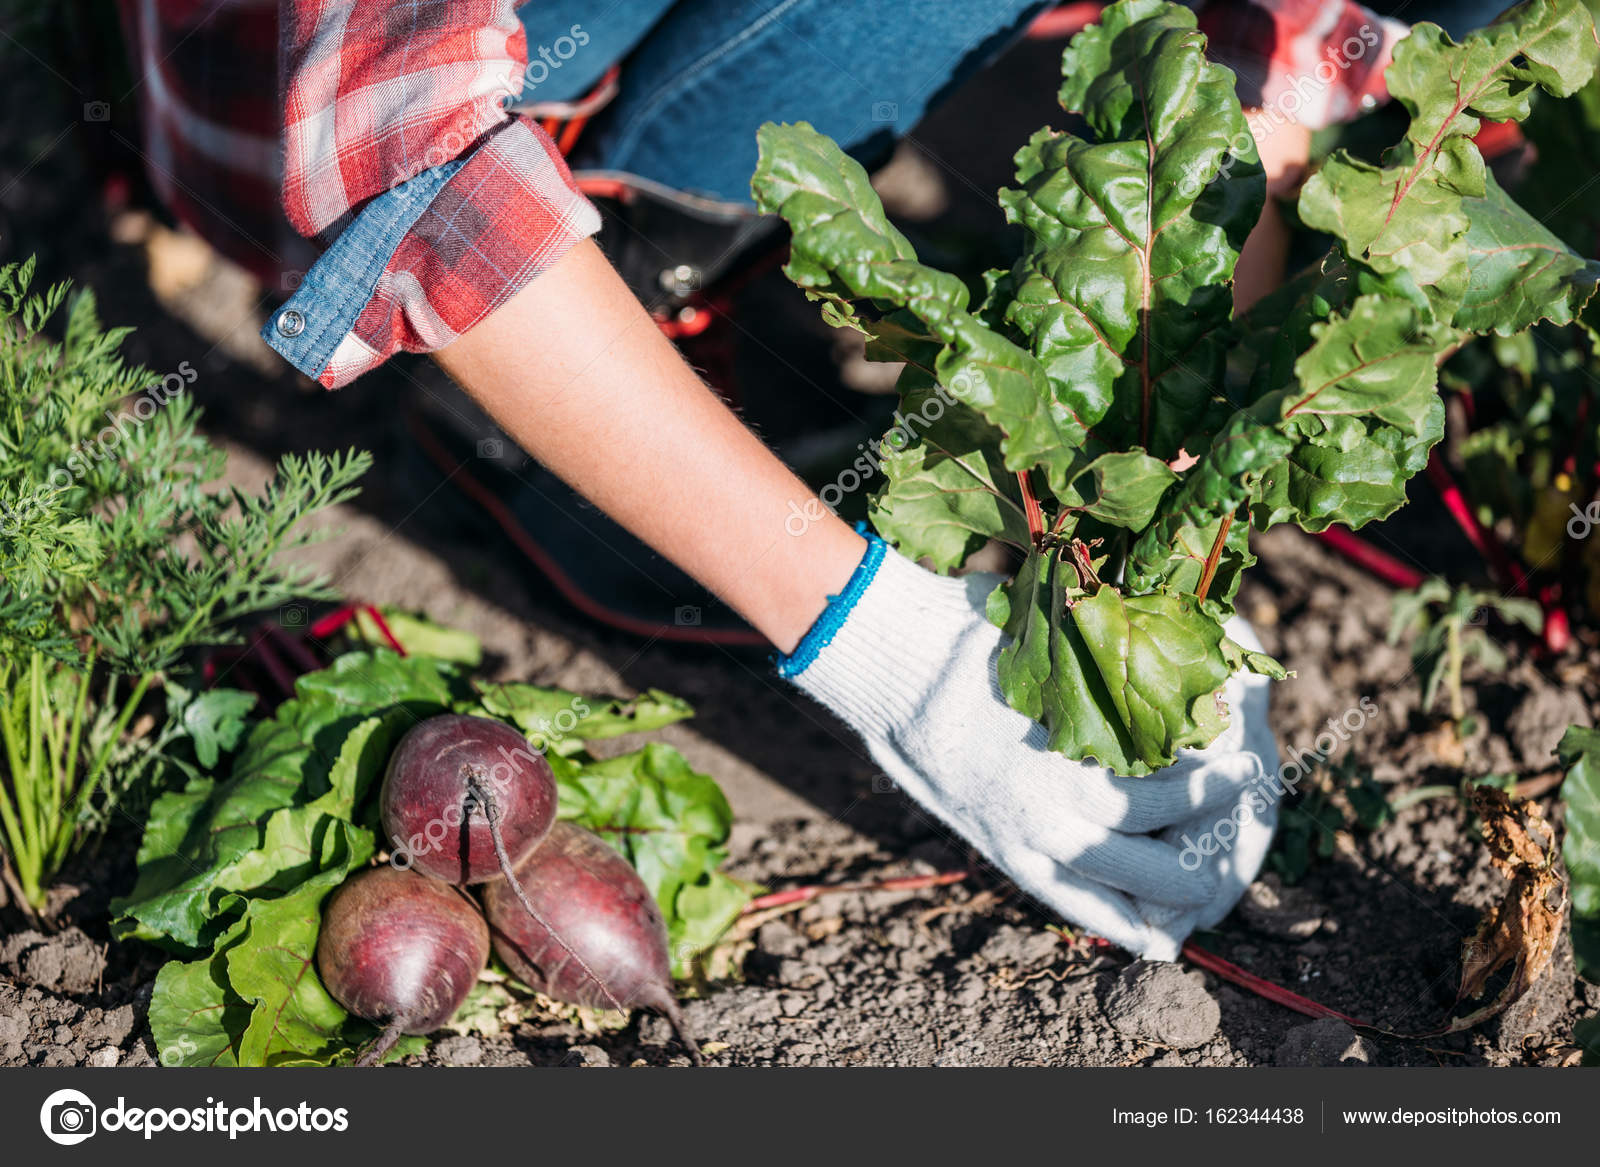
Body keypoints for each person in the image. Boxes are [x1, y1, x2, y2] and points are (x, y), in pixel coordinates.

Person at [119, 0, 1411, 959]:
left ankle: (660, 246)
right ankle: (553, 338)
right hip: (315, 124)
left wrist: (1157, 532)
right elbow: (406, 169)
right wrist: (893, 648)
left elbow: (1271, 59)